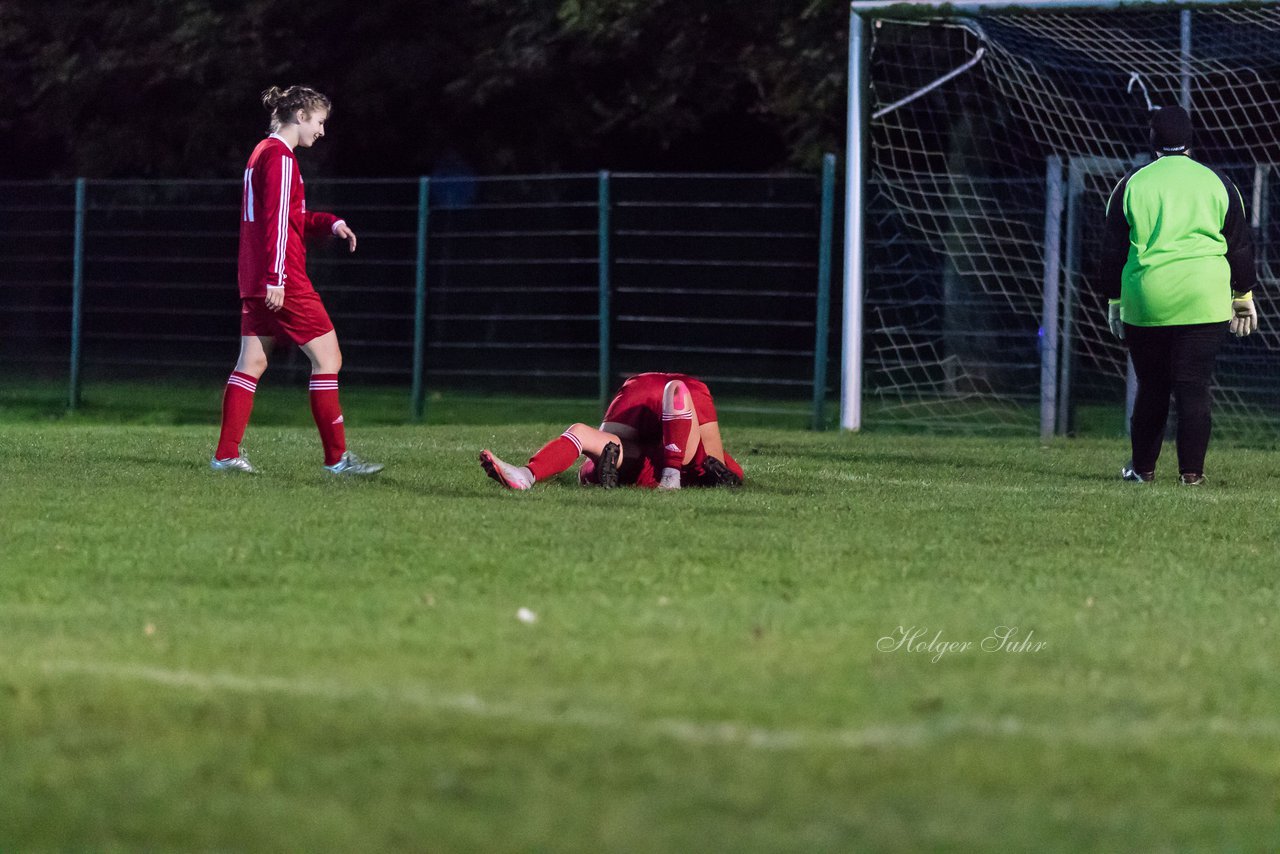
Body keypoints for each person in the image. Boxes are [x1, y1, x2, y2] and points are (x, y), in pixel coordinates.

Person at [211, 86, 382, 475]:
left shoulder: (260, 153)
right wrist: (278, 277)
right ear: (301, 116)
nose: (322, 131)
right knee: (328, 359)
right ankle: (337, 460)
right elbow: (275, 223)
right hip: (282, 277)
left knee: (251, 362)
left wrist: (328, 222)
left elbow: (285, 217)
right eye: (320, 122)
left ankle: (225, 455)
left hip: (254, 276)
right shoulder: (282, 158)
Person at [1099, 104, 1258, 486]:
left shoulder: (1132, 183)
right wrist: (1243, 294)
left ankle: (1142, 470)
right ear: (1190, 139)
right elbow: (1238, 243)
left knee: (1152, 386)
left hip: (1147, 299)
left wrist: (1114, 302)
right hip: (1204, 300)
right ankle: (1192, 475)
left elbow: (1112, 251)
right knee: (1193, 385)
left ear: (1152, 139)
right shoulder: (1217, 181)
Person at [479, 372, 744, 491]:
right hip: (682, 396)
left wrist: (591, 473)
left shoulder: (633, 466)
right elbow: (720, 467)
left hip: (641, 389)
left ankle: (526, 474)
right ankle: (672, 476)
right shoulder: (690, 464)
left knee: (583, 435)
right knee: (705, 459)